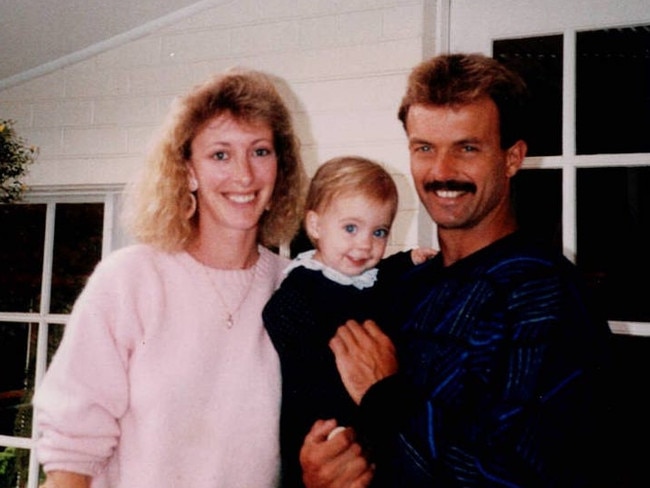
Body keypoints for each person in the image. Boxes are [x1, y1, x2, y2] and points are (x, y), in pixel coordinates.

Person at [299, 53, 614, 487]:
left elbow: (512, 475)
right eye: (424, 148)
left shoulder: (543, 295)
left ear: (512, 158)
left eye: (467, 148)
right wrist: (327, 470)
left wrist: (385, 396)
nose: (442, 172)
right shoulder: (403, 285)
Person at [32, 68, 307, 488]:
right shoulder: (130, 280)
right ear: (189, 171)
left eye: (260, 151)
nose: (244, 176)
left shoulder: (297, 289)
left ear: (280, 166)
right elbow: (73, 453)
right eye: (220, 154)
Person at [262, 156, 436, 487]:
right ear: (315, 226)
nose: (364, 244)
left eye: (379, 231)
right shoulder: (301, 288)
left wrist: (409, 259)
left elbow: (384, 273)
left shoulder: (366, 277)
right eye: (351, 228)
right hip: (319, 424)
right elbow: (280, 321)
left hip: (366, 417)